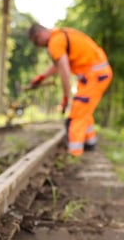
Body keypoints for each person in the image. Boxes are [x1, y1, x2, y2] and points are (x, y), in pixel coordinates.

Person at [28, 23, 112, 156]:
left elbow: (64, 71)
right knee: (84, 110)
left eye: (37, 42)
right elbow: (58, 64)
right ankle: (90, 143)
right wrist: (42, 77)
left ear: (40, 35)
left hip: (95, 76)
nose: (39, 46)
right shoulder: (61, 36)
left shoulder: (55, 42)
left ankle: (74, 152)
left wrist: (66, 97)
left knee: (77, 113)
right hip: (95, 75)